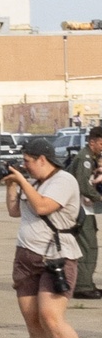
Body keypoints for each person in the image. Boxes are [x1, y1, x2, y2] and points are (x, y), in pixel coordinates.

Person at [3, 136, 99, 338]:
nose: (24, 166)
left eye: (27, 162)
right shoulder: (32, 181)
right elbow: (15, 211)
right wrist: (12, 186)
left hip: (57, 257)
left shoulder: (64, 181)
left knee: (51, 318)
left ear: (42, 159)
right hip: (26, 257)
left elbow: (43, 206)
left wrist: (22, 181)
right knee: (33, 321)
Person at [70, 124, 102, 299]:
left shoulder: (90, 158)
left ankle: (86, 282)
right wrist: (99, 198)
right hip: (81, 210)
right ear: (92, 142)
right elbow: (83, 185)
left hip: (85, 209)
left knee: (89, 246)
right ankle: (82, 286)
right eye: (101, 144)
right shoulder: (85, 159)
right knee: (87, 246)